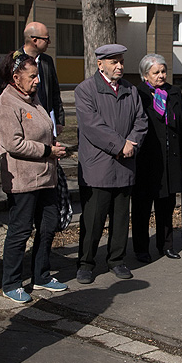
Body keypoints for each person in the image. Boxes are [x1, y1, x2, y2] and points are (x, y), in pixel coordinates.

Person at [0, 51, 68, 303]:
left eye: (37, 76)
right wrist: (48, 150)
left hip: (46, 176)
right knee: (20, 230)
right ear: (15, 78)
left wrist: (53, 144)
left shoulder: (33, 99)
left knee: (47, 226)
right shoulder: (6, 104)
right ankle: (11, 282)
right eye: (32, 76)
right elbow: (13, 143)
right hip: (23, 179)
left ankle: (41, 275)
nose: (38, 81)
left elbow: (44, 129)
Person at [74, 44, 148, 285]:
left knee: (120, 218)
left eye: (121, 61)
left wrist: (132, 143)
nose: (119, 66)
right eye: (114, 62)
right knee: (93, 219)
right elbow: (92, 126)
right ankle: (86, 263)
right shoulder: (85, 90)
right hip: (98, 166)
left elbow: (141, 120)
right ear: (100, 64)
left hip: (125, 165)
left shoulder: (130, 90)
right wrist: (119, 145)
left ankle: (116, 260)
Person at [132, 54, 182, 261]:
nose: (161, 75)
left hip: (171, 158)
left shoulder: (174, 93)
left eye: (163, 71)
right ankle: (141, 249)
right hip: (146, 159)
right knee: (142, 207)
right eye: (156, 72)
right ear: (145, 75)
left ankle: (166, 245)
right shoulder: (138, 94)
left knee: (166, 205)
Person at [0, 22, 66, 136]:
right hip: (22, 125)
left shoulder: (47, 61)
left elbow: (54, 92)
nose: (49, 42)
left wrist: (59, 120)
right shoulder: (10, 61)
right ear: (35, 40)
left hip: (44, 123)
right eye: (47, 39)